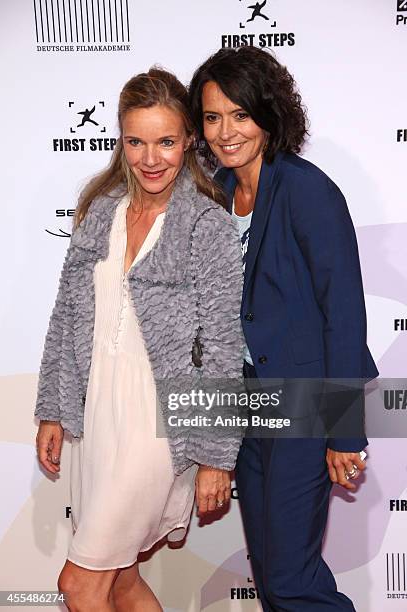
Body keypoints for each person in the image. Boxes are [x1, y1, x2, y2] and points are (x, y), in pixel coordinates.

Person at [34, 68, 244, 612]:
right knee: (120, 580)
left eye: (166, 142)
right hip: (99, 414)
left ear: (189, 141)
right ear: (120, 140)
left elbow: (222, 344)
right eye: (137, 142)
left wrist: (216, 457)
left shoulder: (206, 224)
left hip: (157, 426)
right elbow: (66, 317)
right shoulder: (99, 213)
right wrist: (54, 409)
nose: (152, 159)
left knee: (80, 585)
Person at [189, 46, 379, 611]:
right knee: (271, 573)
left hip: (303, 401)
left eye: (240, 115)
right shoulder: (216, 193)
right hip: (244, 403)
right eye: (212, 116)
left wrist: (344, 433)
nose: (225, 132)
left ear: (269, 115)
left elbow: (343, 314)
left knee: (292, 578)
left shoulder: (304, 189)